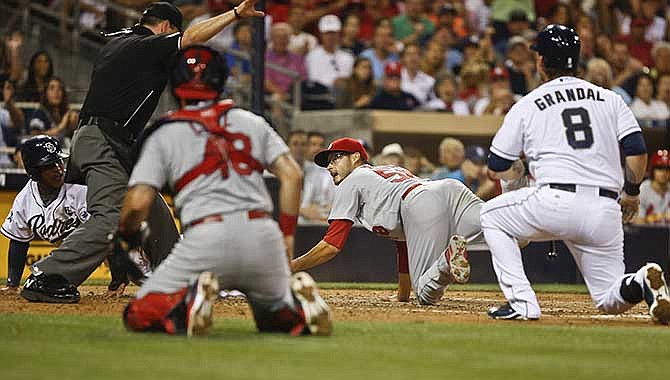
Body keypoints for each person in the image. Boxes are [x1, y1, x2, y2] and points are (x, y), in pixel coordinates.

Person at [20, 0, 265, 304]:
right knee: (110, 216)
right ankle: (47, 276)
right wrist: (236, 14)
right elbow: (190, 39)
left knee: (152, 206)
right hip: (103, 138)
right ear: (165, 28)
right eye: (173, 33)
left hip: (109, 138)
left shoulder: (122, 43)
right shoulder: (146, 45)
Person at [117, 45, 331, 337]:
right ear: (221, 81)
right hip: (263, 236)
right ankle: (294, 310)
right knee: (274, 321)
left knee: (138, 315)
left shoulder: (164, 132)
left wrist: (126, 236)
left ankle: (187, 305)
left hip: (206, 239)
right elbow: (292, 176)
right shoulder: (251, 121)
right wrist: (288, 237)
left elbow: (137, 204)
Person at [481, 24, 670, 324]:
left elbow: (496, 162)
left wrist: (520, 173)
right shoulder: (610, 99)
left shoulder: (529, 103)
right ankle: (641, 281)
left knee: (491, 216)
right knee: (610, 299)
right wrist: (631, 193)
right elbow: (637, 152)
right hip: (604, 210)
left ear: (541, 61)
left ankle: (522, 302)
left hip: (553, 200)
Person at [292, 137, 484, 305]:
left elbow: (332, 245)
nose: (329, 166)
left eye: (336, 158)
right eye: (328, 162)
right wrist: (403, 294)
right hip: (447, 190)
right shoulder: (382, 175)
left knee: (425, 293)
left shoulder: (351, 180)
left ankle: (446, 261)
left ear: (356, 157)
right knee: (496, 226)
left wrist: (292, 266)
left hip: (420, 202)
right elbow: (403, 242)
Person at [1, 136, 87, 294]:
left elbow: (108, 231)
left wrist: (117, 281)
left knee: (142, 275)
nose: (59, 169)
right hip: (74, 255)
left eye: (59, 161)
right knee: (40, 282)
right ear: (34, 171)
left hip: (112, 244)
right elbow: (18, 242)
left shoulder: (80, 187)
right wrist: (13, 284)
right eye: (49, 165)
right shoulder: (24, 199)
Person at [635, 150, 670, 224]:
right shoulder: (643, 190)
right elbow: (638, 221)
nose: (664, 173)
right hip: (647, 233)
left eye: (667, 169)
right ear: (652, 170)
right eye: (660, 168)